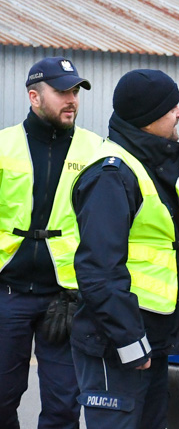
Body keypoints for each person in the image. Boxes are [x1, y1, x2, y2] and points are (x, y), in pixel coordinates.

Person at [71, 69, 179, 429]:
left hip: (146, 341)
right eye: (172, 106)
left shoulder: (144, 166)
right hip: (119, 345)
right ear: (147, 118)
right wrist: (131, 342)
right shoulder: (113, 175)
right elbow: (99, 271)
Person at [0, 57, 101, 429]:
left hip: (66, 298)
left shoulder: (96, 150)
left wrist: (83, 291)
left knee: (63, 408)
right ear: (34, 97)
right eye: (62, 91)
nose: (71, 98)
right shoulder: (3, 146)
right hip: (6, 292)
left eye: (75, 90)